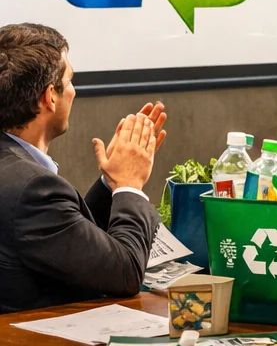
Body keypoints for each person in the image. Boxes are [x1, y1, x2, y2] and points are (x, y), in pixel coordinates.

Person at [0, 23, 165, 313]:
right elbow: (124, 273)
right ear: (49, 97)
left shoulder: (19, 177)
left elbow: (68, 238)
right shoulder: (31, 189)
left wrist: (111, 184)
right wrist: (130, 186)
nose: (73, 91)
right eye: (70, 80)